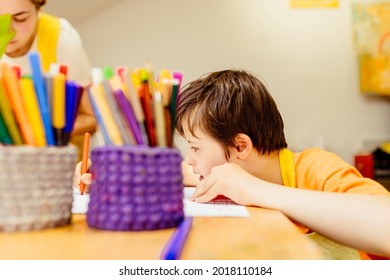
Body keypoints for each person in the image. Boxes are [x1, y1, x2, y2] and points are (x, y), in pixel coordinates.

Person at [74, 69, 390, 259]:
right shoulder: (225, 173)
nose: (190, 159)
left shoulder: (316, 167)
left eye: (196, 147)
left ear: (240, 146)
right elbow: (184, 172)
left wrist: (257, 190)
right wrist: (106, 176)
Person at [0, 0, 96, 139]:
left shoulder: (60, 38)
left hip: (61, 154)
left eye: (20, 17)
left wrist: (44, 136)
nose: (8, 31)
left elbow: (91, 119)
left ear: (38, 9)